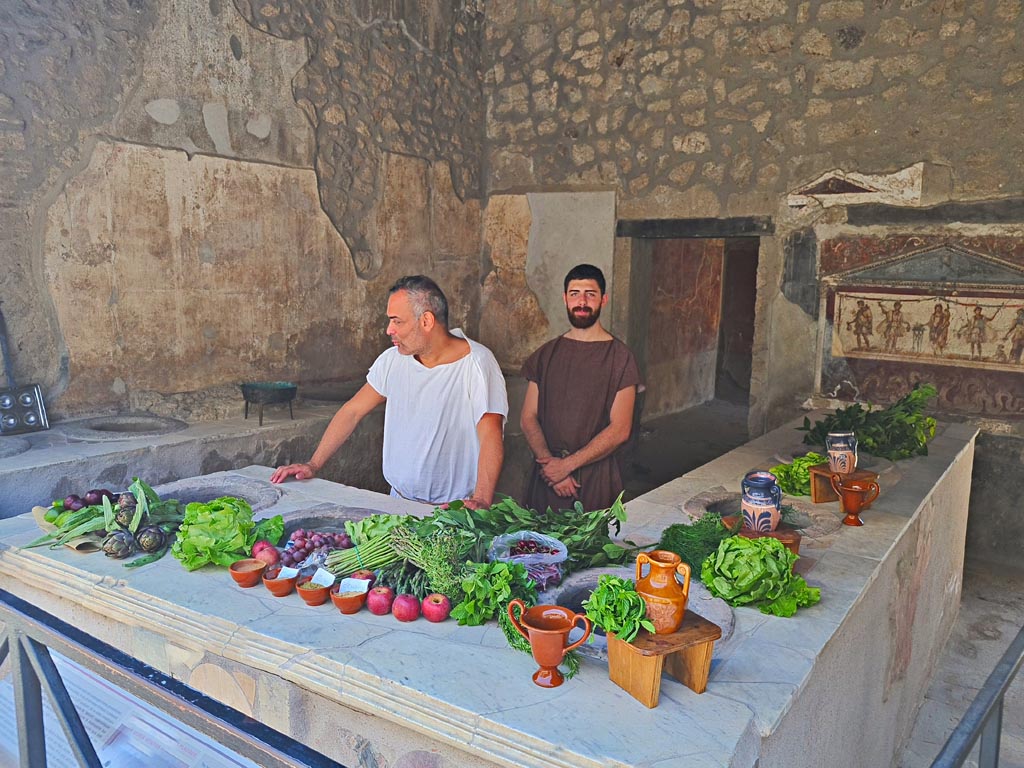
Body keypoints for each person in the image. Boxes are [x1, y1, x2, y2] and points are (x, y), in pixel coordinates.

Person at [271, 276, 508, 509]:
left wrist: (481, 499)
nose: (388, 330)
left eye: (397, 321)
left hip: (455, 509)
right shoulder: (393, 361)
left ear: (426, 321)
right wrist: (313, 464)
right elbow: (352, 411)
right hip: (397, 501)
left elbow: (491, 434)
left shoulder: (477, 364)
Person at [520, 264, 640, 513]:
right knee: (536, 547)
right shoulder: (546, 355)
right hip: (546, 478)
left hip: (594, 480)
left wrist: (567, 466)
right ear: (565, 298)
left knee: (590, 549)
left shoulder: (620, 358)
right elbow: (528, 418)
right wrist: (551, 467)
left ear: (603, 300)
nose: (582, 301)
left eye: (590, 294)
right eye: (575, 293)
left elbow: (620, 429)